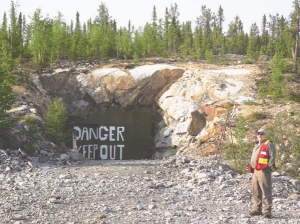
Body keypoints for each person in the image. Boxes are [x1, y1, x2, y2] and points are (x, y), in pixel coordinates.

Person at [248, 128, 276, 219]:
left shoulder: (269, 144)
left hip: (263, 171)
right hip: (255, 171)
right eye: (258, 134)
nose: (260, 135)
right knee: (256, 191)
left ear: (265, 135)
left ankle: (267, 211)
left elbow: (272, 157)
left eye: (262, 134)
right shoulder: (256, 145)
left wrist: (267, 167)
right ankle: (257, 209)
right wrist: (252, 170)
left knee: (266, 190)